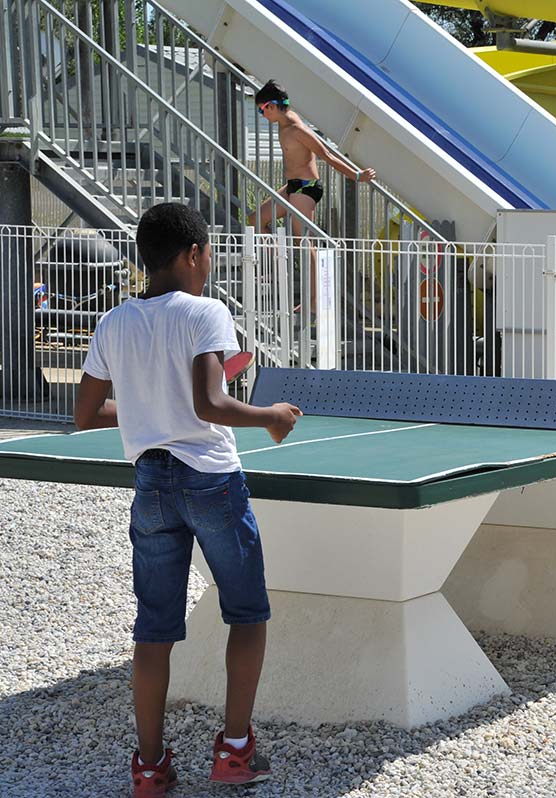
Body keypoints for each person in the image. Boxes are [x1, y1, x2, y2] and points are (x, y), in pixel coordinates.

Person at [73, 203, 302, 796]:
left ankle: (149, 767)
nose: (208, 266)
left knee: (153, 628)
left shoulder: (115, 322)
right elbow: (209, 405)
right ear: (194, 254)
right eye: (208, 256)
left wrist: (151, 410)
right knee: (247, 613)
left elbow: (86, 413)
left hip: (150, 483)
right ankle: (233, 751)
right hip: (209, 478)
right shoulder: (207, 312)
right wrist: (269, 416)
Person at [247, 79, 376, 312]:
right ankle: (278, 262)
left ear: (272, 106)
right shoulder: (283, 122)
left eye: (261, 109)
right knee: (255, 220)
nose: (261, 114)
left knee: (305, 242)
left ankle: (316, 301)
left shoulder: (297, 130)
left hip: (307, 188)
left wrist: (356, 176)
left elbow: (326, 154)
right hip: (293, 186)